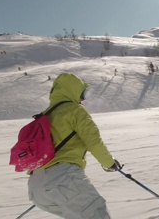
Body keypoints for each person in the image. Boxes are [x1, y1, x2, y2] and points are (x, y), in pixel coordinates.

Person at [28, 73, 122, 219]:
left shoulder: (45, 115)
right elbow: (94, 141)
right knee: (97, 214)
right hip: (62, 178)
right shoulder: (75, 110)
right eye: (82, 93)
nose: (82, 99)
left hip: (36, 186)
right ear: (71, 91)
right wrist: (109, 163)